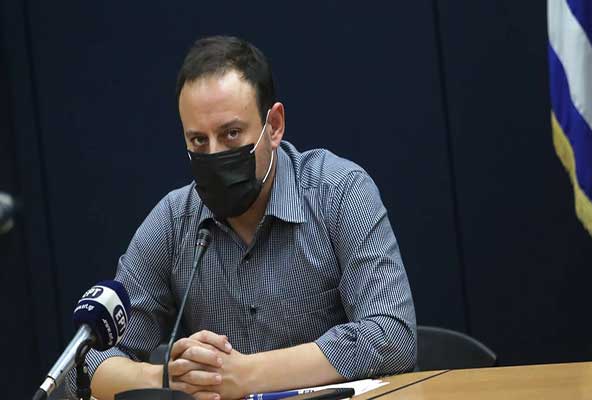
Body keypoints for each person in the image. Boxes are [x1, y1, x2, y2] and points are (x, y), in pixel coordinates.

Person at [69, 35, 416, 400]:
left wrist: (246, 374)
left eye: (231, 134)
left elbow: (392, 336)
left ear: (274, 126)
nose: (214, 154)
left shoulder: (338, 192)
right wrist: (170, 379)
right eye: (198, 141)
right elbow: (87, 363)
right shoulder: (173, 221)